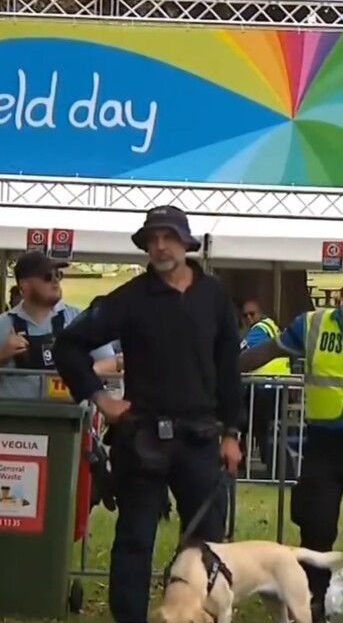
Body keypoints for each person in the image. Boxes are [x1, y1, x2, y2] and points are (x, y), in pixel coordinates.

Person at [53, 205, 245, 623]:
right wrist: (99, 397)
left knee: (207, 544)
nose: (160, 246)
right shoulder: (130, 298)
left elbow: (229, 368)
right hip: (143, 440)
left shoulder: (213, 296)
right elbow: (67, 346)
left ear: (186, 243)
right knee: (135, 542)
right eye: (152, 239)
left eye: (168, 237)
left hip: (200, 438)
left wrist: (232, 432)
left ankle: (199, 617)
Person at [241, 264, 343, 623]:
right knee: (316, 525)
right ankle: (313, 599)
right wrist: (224, 369)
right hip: (324, 442)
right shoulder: (312, 325)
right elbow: (266, 352)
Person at [0, 252, 116, 399]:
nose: (55, 281)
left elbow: (111, 363)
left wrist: (77, 374)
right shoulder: (0, 325)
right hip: (11, 416)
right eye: (47, 276)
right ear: (24, 285)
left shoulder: (78, 319)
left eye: (58, 275)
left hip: (69, 416)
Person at [239, 298, 292, 467]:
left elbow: (241, 352)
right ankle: (269, 462)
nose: (248, 318)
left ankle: (272, 464)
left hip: (267, 387)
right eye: (244, 315)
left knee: (257, 425)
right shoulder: (271, 326)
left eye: (252, 314)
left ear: (260, 313)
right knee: (256, 425)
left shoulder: (260, 329)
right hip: (274, 386)